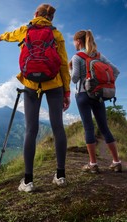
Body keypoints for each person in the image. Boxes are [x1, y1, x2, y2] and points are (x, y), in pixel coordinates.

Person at [0, 4, 71, 192]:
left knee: (31, 130)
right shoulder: (57, 35)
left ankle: (28, 181)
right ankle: (60, 176)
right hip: (55, 85)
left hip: (30, 85)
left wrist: (2, 36)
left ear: (36, 14)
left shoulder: (25, 30)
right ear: (51, 19)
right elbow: (63, 64)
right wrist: (67, 91)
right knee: (58, 128)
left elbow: (11, 35)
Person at [70, 30, 122, 174]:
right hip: (98, 95)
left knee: (88, 128)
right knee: (104, 128)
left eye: (74, 41)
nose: (73, 43)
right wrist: (103, 85)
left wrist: (71, 70)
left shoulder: (77, 57)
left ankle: (93, 164)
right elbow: (116, 71)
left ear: (78, 41)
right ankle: (116, 162)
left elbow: (74, 78)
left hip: (82, 95)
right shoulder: (99, 56)